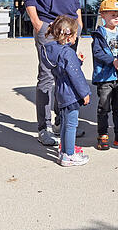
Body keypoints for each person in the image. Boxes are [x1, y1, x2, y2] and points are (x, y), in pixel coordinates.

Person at [22, 0, 83, 146]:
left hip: (70, 27)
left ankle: (62, 122)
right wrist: (37, 22)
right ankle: (44, 127)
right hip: (48, 25)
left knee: (67, 74)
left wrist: (78, 19)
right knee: (47, 77)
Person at [38, 15, 91, 167]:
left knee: (65, 124)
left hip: (61, 93)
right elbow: (76, 76)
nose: (76, 38)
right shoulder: (68, 53)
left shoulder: (54, 51)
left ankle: (64, 150)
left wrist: (77, 61)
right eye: (75, 34)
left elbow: (65, 68)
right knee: (71, 125)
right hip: (71, 94)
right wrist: (85, 93)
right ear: (68, 36)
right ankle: (69, 155)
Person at [91, 0, 118, 150]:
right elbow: (97, 53)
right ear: (103, 15)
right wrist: (114, 61)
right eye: (112, 15)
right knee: (103, 108)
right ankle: (102, 135)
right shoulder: (99, 34)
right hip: (105, 78)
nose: (116, 17)